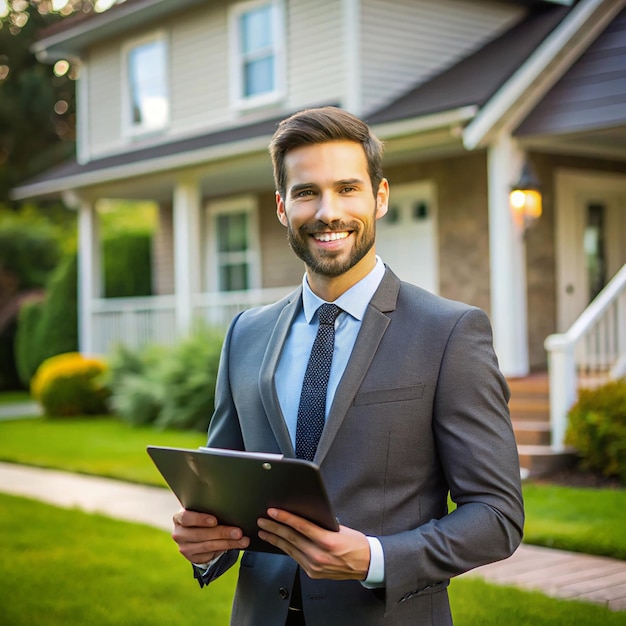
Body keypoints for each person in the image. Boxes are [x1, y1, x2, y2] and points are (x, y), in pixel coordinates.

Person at [171, 106, 524, 626]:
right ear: (281, 207)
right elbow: (226, 492)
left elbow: (496, 516)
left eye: (347, 189)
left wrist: (374, 559)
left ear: (380, 197)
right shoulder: (245, 334)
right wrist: (206, 542)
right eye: (306, 192)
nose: (327, 212)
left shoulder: (449, 333)